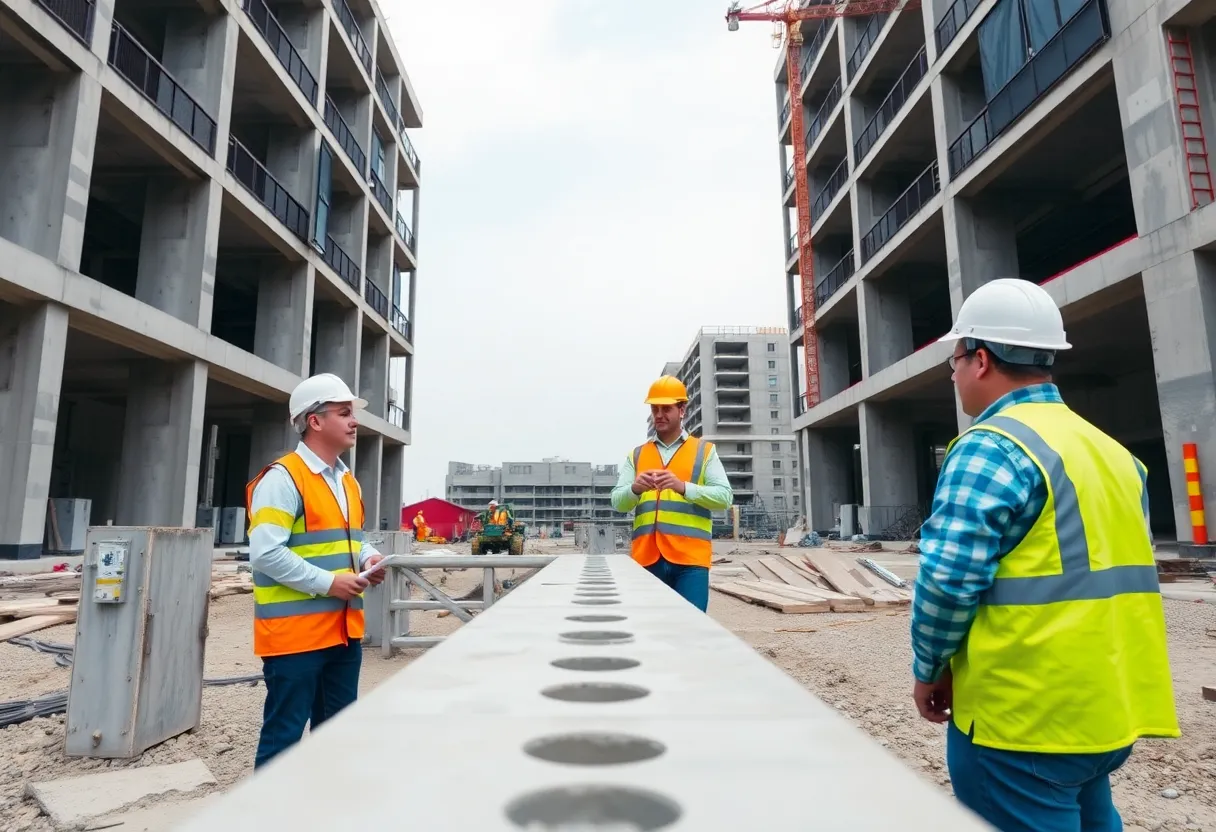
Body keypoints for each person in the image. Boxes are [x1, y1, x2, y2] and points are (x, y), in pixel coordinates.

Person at [911, 279, 1179, 831]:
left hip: (1023, 718)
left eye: (954, 360)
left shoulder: (990, 446)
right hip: (1107, 708)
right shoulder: (1112, 452)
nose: (954, 375)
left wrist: (929, 668)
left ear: (980, 359)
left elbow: (946, 582)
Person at [245, 372, 387, 769]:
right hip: (295, 640)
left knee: (336, 740)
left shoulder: (347, 481)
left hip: (342, 634)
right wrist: (329, 582)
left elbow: (351, 540)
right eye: (344, 413)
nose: (354, 421)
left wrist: (368, 559)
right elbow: (265, 552)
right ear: (315, 421)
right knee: (283, 743)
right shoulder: (283, 478)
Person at [611, 375, 733, 610]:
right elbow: (617, 502)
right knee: (649, 631)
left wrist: (683, 487)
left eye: (666, 408)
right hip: (647, 559)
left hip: (690, 562)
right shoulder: (636, 455)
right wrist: (635, 489)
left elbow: (724, 497)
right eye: (655, 408)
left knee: (691, 631)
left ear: (682, 409)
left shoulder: (704, 452)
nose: (659, 414)